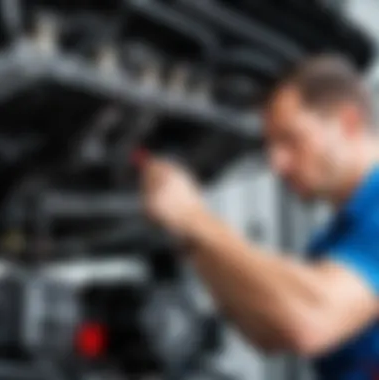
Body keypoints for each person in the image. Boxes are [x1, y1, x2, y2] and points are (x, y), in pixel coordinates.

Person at [139, 54, 379, 380]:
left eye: (291, 140)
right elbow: (268, 332)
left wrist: (194, 218)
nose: (277, 164)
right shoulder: (331, 242)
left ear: (348, 123)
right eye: (270, 146)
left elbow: (310, 320)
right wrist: (190, 237)